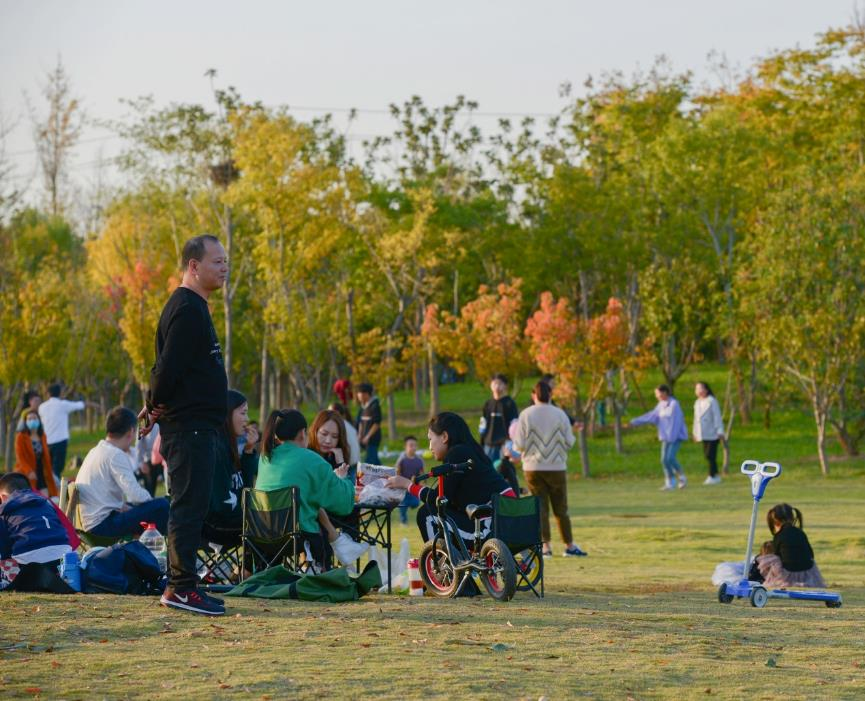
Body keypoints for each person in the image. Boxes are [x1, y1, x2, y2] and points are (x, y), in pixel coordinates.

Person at [142, 233, 229, 617]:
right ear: (194, 266)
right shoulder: (187, 308)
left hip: (198, 426)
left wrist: (156, 406)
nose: (224, 268)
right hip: (189, 428)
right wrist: (154, 403)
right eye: (217, 261)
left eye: (226, 261)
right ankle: (180, 588)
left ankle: (186, 585)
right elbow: (166, 370)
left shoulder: (196, 307)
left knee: (193, 505)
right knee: (187, 507)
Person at [385, 412, 516, 547]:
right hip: (508, 524)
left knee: (426, 514)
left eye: (430, 439)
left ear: (445, 437)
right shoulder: (472, 452)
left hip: (491, 528)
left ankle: (438, 564)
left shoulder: (456, 454)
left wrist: (407, 485)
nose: (430, 447)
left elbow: (438, 499)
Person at [255, 409, 357, 568]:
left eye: (334, 436)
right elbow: (343, 503)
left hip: (261, 533)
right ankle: (340, 554)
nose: (328, 440)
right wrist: (344, 479)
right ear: (304, 433)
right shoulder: (312, 460)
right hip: (298, 535)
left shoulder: (265, 457)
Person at [514, 381, 586, 557]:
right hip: (556, 466)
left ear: (534, 395)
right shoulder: (560, 414)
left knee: (540, 508)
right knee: (561, 508)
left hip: (532, 467)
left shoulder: (526, 414)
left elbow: (519, 444)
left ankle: (545, 547)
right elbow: (569, 441)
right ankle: (569, 545)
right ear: (551, 394)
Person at [75, 407, 170, 538]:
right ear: (131, 431)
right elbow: (136, 495)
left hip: (88, 525)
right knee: (162, 506)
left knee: (146, 507)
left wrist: (124, 505)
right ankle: (154, 548)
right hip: (102, 527)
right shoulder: (115, 454)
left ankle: (145, 545)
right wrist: (151, 502)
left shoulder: (95, 451)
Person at [307, 410, 368, 564]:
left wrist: (340, 461)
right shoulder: (306, 454)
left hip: (328, 509)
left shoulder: (334, 456)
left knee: (353, 509)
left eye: (334, 437)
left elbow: (343, 492)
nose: (328, 440)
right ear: (315, 431)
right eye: (324, 434)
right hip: (309, 512)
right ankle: (343, 549)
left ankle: (348, 556)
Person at [0, 472, 75, 594]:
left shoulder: (4, 509)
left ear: (3, 497)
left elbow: (5, 551)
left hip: (28, 565)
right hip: (63, 558)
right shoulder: (46, 502)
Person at [203, 390, 259, 544]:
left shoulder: (229, 446)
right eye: (243, 413)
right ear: (227, 414)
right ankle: (250, 569)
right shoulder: (217, 450)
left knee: (274, 522)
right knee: (269, 525)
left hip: (231, 519)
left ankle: (248, 569)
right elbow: (222, 506)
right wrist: (253, 515)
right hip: (215, 526)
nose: (247, 419)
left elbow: (245, 491)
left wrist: (248, 451)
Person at [629, 385, 688, 491]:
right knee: (663, 460)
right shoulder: (661, 405)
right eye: (656, 394)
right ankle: (670, 482)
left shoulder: (674, 404)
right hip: (665, 437)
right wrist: (635, 421)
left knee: (670, 458)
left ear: (665, 392)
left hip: (676, 436)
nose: (657, 396)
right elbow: (652, 416)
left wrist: (672, 437)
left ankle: (682, 476)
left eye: (658, 393)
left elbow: (676, 422)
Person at [756, 504, 826, 588]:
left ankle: (764, 579)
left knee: (770, 559)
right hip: (808, 573)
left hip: (787, 575)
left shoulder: (779, 536)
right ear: (793, 518)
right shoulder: (801, 533)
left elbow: (777, 554)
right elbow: (811, 554)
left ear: (776, 523)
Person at [38, 384, 86, 479]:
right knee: (57, 468)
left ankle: (50, 486)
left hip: (47, 441)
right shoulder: (63, 404)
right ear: (60, 393)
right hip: (60, 440)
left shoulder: (42, 407)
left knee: (48, 467)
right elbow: (80, 405)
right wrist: (94, 405)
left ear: (48, 394)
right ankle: (56, 487)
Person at [14, 410, 57, 498]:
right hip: (27, 472)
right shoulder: (21, 437)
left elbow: (46, 456)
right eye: (29, 419)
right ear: (25, 422)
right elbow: (20, 457)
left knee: (45, 496)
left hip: (42, 470)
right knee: (31, 496)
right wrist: (29, 471)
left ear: (39, 420)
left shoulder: (42, 436)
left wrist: (50, 471)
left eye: (34, 418)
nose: (32, 420)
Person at [480, 374, 519, 462]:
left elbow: (515, 426)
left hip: (504, 445)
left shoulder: (510, 404)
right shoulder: (488, 404)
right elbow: (483, 425)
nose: (497, 386)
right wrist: (482, 443)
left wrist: (512, 444)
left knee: (503, 472)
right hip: (488, 445)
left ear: (505, 386)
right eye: (494, 383)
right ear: (490, 385)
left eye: (500, 384)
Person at [692, 381, 725, 485]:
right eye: (697, 389)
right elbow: (696, 419)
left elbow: (717, 417)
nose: (699, 391)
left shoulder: (712, 401)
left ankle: (712, 475)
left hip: (713, 432)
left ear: (706, 390)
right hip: (703, 433)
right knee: (707, 455)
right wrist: (695, 433)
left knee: (711, 455)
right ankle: (715, 475)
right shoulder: (697, 402)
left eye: (701, 388)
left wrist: (720, 431)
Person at [395, 435, 424, 525]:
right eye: (411, 445)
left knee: (415, 503)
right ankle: (403, 521)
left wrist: (421, 484)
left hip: (413, 486)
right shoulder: (402, 459)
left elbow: (422, 473)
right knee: (403, 505)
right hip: (403, 488)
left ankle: (410, 504)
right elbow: (397, 472)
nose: (413, 447)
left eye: (415, 445)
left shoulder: (419, 460)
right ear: (405, 447)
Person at [355, 383, 382, 464]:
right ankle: (387, 475)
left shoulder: (375, 405)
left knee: (369, 461)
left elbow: (376, 423)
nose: (358, 396)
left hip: (372, 439)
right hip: (363, 439)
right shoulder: (362, 407)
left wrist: (367, 437)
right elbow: (360, 422)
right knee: (375, 461)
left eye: (360, 393)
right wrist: (359, 435)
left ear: (366, 394)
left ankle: (386, 475)